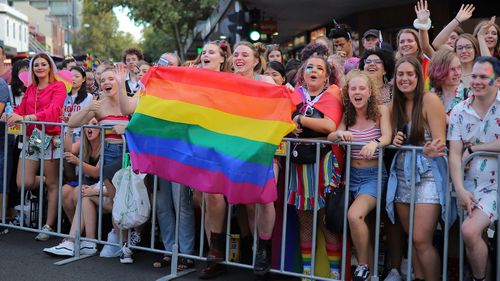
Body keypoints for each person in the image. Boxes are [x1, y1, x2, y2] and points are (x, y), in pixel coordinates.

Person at [387, 56, 447, 281]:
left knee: (422, 239)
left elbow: (439, 141)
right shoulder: (397, 103)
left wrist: (431, 149)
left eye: (409, 74)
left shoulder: (429, 99)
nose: (404, 79)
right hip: (402, 172)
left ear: (418, 77)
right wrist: (395, 139)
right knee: (412, 238)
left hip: (428, 174)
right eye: (400, 74)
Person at [289, 54, 344, 279]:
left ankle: (333, 273)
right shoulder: (294, 95)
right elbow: (282, 119)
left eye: (319, 68)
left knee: (326, 221)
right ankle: (306, 272)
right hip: (299, 166)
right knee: (305, 221)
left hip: (323, 166)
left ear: (326, 76)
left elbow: (330, 125)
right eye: (309, 67)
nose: (313, 71)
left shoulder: (333, 94)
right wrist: (289, 125)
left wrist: (299, 120)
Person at [448, 56, 500, 281]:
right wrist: (459, 188)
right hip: (471, 186)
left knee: (470, 231)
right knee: (473, 235)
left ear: (497, 81)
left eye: (484, 77)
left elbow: (466, 151)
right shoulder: (459, 110)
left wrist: (476, 149)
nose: (477, 81)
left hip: (496, 185)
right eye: (475, 76)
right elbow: (454, 153)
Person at [5, 53, 67, 241]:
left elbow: (53, 110)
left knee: (53, 183)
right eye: (36, 65)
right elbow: (21, 109)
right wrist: (9, 115)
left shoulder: (59, 86)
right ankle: (50, 182)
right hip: (34, 139)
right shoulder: (31, 88)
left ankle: (48, 225)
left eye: (43, 64)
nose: (39, 67)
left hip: (52, 137)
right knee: (23, 182)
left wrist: (27, 118)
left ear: (50, 67)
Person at [231, 41, 277, 276]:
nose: (239, 58)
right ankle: (257, 249)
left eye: (244, 55)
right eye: (236, 54)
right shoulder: (226, 82)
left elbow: (277, 108)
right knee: (249, 205)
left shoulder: (265, 81)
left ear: (256, 61)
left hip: (263, 150)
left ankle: (265, 248)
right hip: (237, 150)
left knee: (264, 198)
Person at [42, 118, 102, 257]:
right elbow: (69, 148)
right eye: (87, 124)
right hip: (86, 183)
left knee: (77, 193)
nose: (89, 128)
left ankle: (74, 240)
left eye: (94, 124)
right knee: (64, 191)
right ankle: (76, 235)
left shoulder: (107, 145)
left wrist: (77, 161)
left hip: (100, 185)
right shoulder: (84, 142)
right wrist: (70, 128)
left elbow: (96, 172)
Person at [428, 49, 469, 116]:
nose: (457, 73)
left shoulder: (468, 96)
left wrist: (447, 120)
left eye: (459, 68)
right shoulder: (431, 96)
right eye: (452, 69)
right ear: (440, 71)